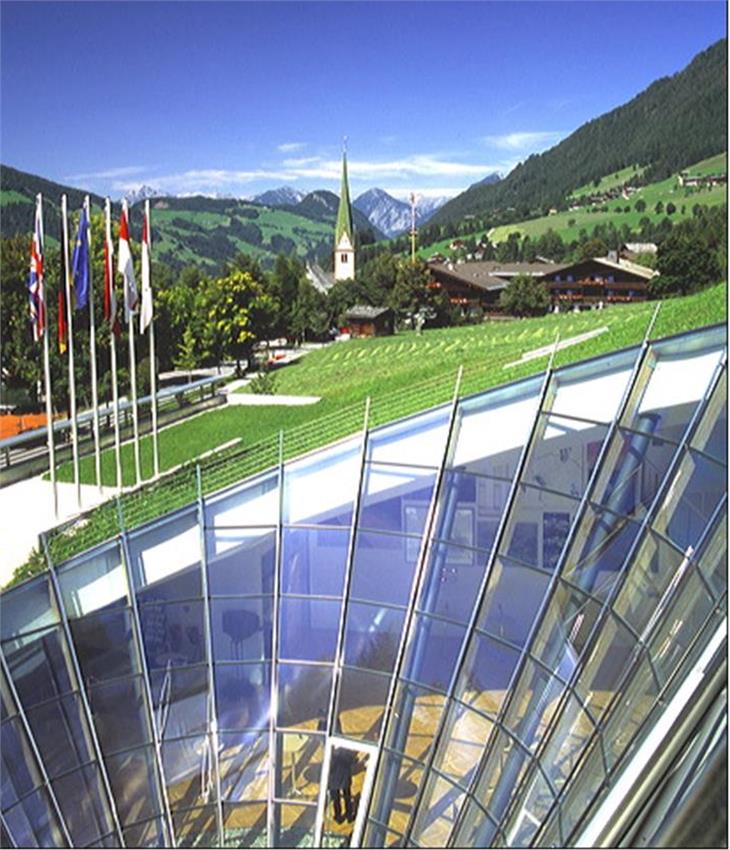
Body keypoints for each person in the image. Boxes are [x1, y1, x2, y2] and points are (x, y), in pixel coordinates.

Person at [328, 748, 356, 824]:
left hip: (334, 778)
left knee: (336, 799)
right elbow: (351, 760)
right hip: (344, 776)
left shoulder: (331, 751)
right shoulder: (345, 749)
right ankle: (348, 814)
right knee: (346, 796)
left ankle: (339, 816)